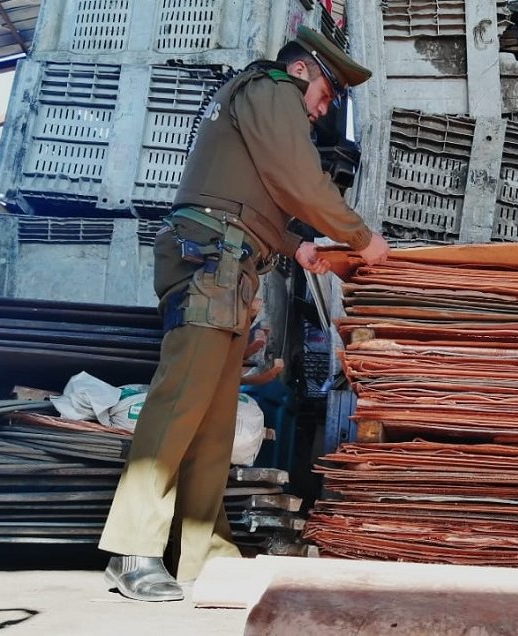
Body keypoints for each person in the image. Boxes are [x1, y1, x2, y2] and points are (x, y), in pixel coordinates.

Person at [98, 25, 390, 602]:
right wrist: (360, 237)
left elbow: (252, 196)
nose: (321, 112)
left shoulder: (259, 101)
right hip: (211, 260)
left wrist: (296, 247)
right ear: (302, 70)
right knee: (180, 402)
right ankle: (132, 549)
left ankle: (204, 554)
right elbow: (299, 180)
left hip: (229, 264)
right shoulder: (273, 89)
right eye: (325, 96)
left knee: (213, 419)